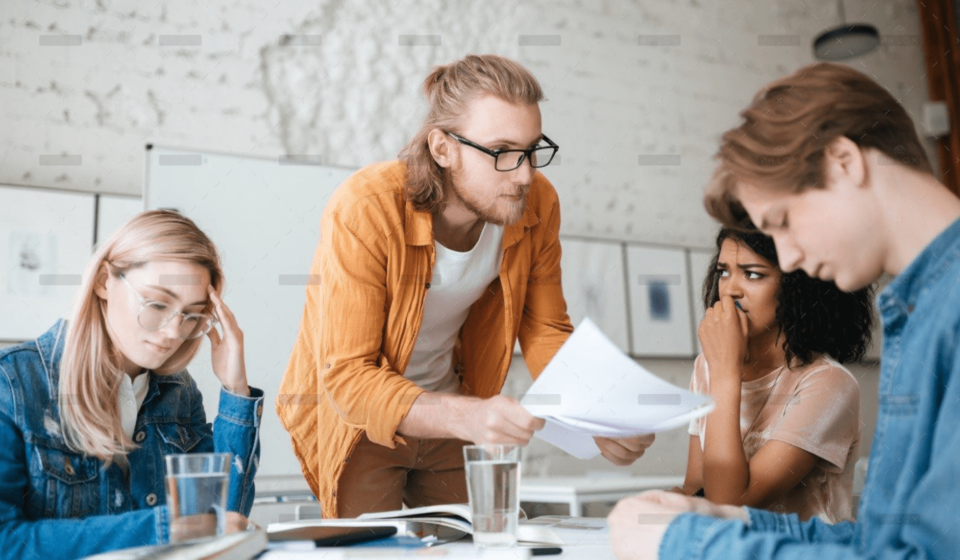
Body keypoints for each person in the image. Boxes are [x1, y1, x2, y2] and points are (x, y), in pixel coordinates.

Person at [277, 54, 655, 519]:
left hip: (453, 410)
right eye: (501, 152)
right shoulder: (366, 206)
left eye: (532, 150)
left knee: (491, 542)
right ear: (442, 148)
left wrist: (598, 413)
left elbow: (545, 331)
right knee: (374, 552)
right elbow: (349, 377)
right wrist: (471, 415)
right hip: (365, 421)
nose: (523, 174)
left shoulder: (537, 202)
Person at [609, 61, 960, 559]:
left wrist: (692, 543)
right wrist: (721, 518)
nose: (791, 258)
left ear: (843, 161)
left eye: (784, 222)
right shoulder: (922, 309)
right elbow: (884, 544)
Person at [0, 210, 264, 558]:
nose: (174, 332)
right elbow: (6, 541)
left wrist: (236, 389)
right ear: (104, 281)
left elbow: (223, 522)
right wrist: (163, 530)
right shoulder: (14, 383)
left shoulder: (180, 394)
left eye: (192, 314)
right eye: (157, 304)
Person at [676, 226, 872, 522]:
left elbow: (730, 504)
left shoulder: (830, 384)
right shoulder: (708, 366)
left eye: (753, 274)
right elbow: (697, 488)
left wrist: (725, 373)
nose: (730, 290)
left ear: (798, 288)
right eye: (723, 272)